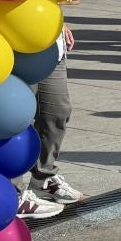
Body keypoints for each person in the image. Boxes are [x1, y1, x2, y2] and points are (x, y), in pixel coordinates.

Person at [20, 25, 82, 214]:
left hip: (51, 46)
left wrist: (56, 21)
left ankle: (43, 178)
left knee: (57, 112)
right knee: (17, 120)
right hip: (20, 46)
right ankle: (12, 193)